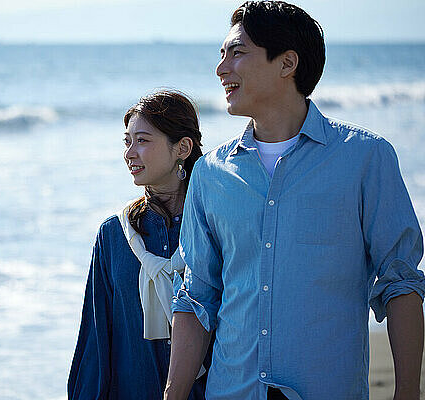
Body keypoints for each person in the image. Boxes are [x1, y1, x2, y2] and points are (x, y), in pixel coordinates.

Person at [164, 2, 425, 400]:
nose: (221, 69)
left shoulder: (365, 159)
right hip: (232, 391)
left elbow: (400, 282)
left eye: (237, 53)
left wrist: (407, 393)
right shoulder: (210, 174)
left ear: (287, 63)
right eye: (221, 56)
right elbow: (197, 296)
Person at [68, 90, 208, 399]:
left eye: (142, 141)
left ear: (182, 148)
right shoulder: (114, 235)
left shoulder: (213, 227)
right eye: (127, 141)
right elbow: (96, 339)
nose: (130, 153)